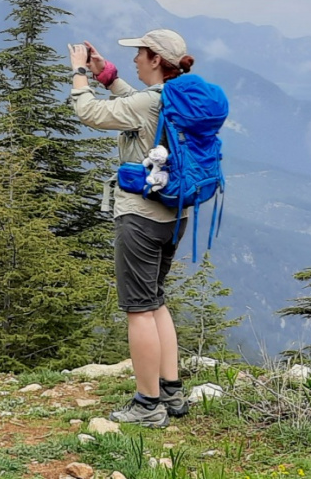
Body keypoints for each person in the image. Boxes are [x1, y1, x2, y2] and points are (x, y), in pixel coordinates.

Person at [68, 28, 196, 428]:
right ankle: (170, 393)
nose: (137, 59)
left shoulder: (148, 102)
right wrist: (106, 73)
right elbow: (135, 105)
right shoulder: (178, 98)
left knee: (139, 309)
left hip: (140, 216)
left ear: (157, 59)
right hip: (174, 214)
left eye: (141, 53)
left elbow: (90, 113)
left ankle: (147, 405)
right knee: (156, 300)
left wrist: (79, 74)